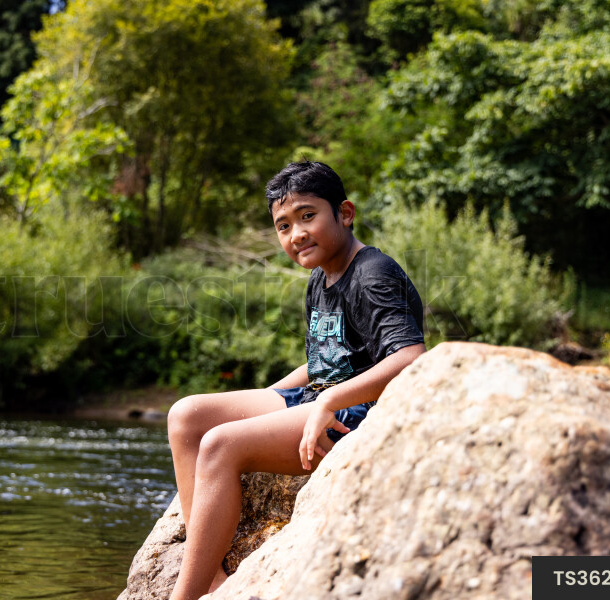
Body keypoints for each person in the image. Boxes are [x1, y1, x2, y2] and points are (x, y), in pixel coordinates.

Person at [167, 161, 426, 600]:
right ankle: (209, 575)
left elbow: (411, 357)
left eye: (308, 216)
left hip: (357, 413)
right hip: (319, 397)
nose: (296, 234)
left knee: (219, 445)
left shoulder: (373, 273)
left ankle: (185, 597)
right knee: (187, 415)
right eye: (283, 225)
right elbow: (322, 360)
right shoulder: (319, 278)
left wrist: (330, 401)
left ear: (345, 213)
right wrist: (267, 400)